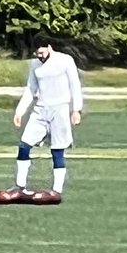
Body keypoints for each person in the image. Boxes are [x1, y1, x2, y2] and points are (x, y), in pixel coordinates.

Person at [10, 38, 83, 199]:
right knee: (24, 145)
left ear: (49, 47)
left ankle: (56, 190)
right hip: (40, 109)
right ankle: (20, 186)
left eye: (42, 52)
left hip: (60, 109)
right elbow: (31, 89)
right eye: (37, 53)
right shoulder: (35, 65)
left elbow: (74, 85)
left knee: (57, 149)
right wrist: (20, 111)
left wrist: (76, 109)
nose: (40, 56)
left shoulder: (65, 60)